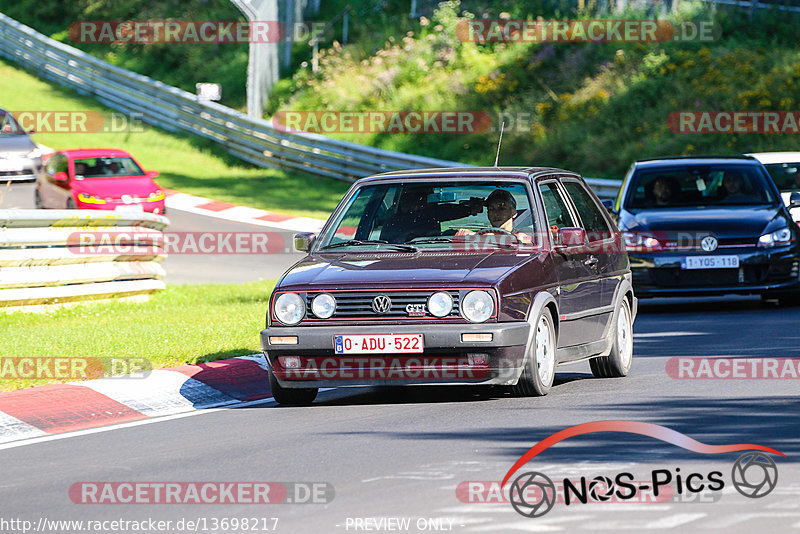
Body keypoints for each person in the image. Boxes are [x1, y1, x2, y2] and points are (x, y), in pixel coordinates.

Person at [380, 186, 482, 243]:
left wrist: (469, 209)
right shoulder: (395, 222)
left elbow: (442, 211)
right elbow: (441, 211)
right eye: (426, 199)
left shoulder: (390, 221)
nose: (419, 206)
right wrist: (469, 209)